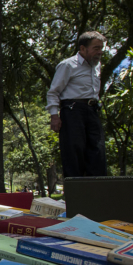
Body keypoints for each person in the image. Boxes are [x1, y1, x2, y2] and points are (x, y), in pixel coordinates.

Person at [46, 32, 108, 178]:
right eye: (96, 48)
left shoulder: (96, 65)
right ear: (83, 48)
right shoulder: (68, 65)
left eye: (101, 48)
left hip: (92, 110)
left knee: (97, 151)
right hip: (73, 110)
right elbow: (53, 92)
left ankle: (97, 194)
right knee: (74, 151)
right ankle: (75, 194)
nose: (100, 52)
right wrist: (54, 115)